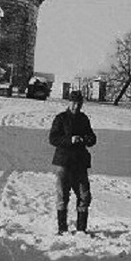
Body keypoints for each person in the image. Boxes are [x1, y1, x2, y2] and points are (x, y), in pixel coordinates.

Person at [49, 90, 97, 234]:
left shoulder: (84, 119)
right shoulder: (61, 118)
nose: (76, 106)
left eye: (79, 103)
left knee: (84, 196)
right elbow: (53, 138)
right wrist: (70, 140)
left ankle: (81, 229)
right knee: (62, 196)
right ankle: (62, 229)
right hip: (63, 162)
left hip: (80, 163)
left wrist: (86, 139)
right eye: (74, 103)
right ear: (69, 102)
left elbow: (92, 138)